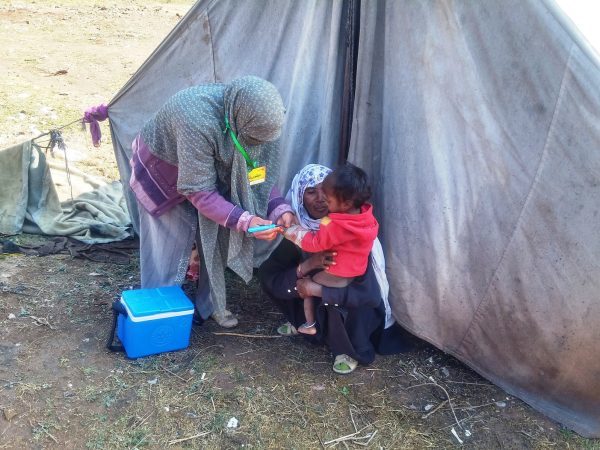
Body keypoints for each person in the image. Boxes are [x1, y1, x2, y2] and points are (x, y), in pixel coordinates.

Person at [129, 76, 295, 328]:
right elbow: (199, 191)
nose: (258, 145)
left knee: (214, 241)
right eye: (254, 140)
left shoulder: (260, 121)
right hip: (165, 173)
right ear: (240, 121)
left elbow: (259, 170)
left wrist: (278, 206)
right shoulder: (195, 118)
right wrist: (246, 220)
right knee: (167, 246)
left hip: (208, 177)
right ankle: (156, 315)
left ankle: (209, 305)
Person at [258, 164, 406, 375]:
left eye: (325, 193)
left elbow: (368, 297)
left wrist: (317, 290)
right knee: (284, 275)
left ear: (345, 199)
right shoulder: (301, 227)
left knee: (332, 299)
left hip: (352, 312)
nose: (321, 199)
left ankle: (346, 351)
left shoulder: (353, 239)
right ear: (299, 196)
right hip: (320, 287)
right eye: (311, 192)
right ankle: (304, 323)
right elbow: (270, 276)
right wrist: (306, 266)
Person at [283, 163, 379, 336]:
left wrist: (294, 234)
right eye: (312, 191)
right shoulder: (365, 217)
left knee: (305, 285)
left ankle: (310, 324)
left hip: (337, 276)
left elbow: (315, 243)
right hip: (356, 271)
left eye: (328, 199)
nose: (323, 201)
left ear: (346, 203)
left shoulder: (334, 224)